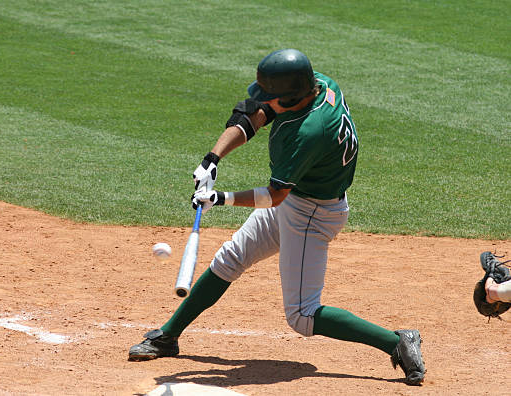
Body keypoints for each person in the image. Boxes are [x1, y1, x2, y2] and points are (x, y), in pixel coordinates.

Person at [128, 49, 426, 385]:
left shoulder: (307, 133)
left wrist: (220, 199)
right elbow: (255, 113)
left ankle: (397, 341)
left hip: (312, 212)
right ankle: (167, 336)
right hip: (301, 199)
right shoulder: (319, 84)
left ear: (293, 95)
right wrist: (213, 158)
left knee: (302, 315)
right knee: (231, 258)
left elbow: (275, 195)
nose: (267, 102)